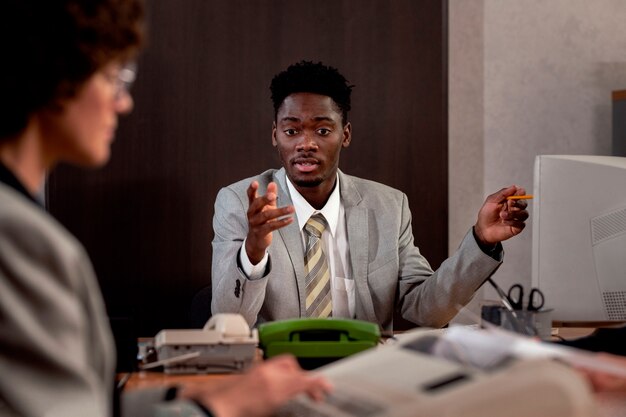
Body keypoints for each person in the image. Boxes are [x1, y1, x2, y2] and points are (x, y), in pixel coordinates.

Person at [0, 2, 329, 417]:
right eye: (114, 78)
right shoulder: (18, 238)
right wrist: (219, 408)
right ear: (57, 76)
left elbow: (81, 405)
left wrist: (185, 398)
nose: (124, 104)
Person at [211, 60, 530, 330]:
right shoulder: (240, 203)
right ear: (275, 135)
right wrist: (252, 253)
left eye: (322, 130)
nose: (306, 144)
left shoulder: (389, 207)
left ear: (344, 135)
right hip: (276, 376)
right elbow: (228, 323)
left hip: (362, 373)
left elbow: (426, 311)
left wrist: (482, 240)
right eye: (292, 130)